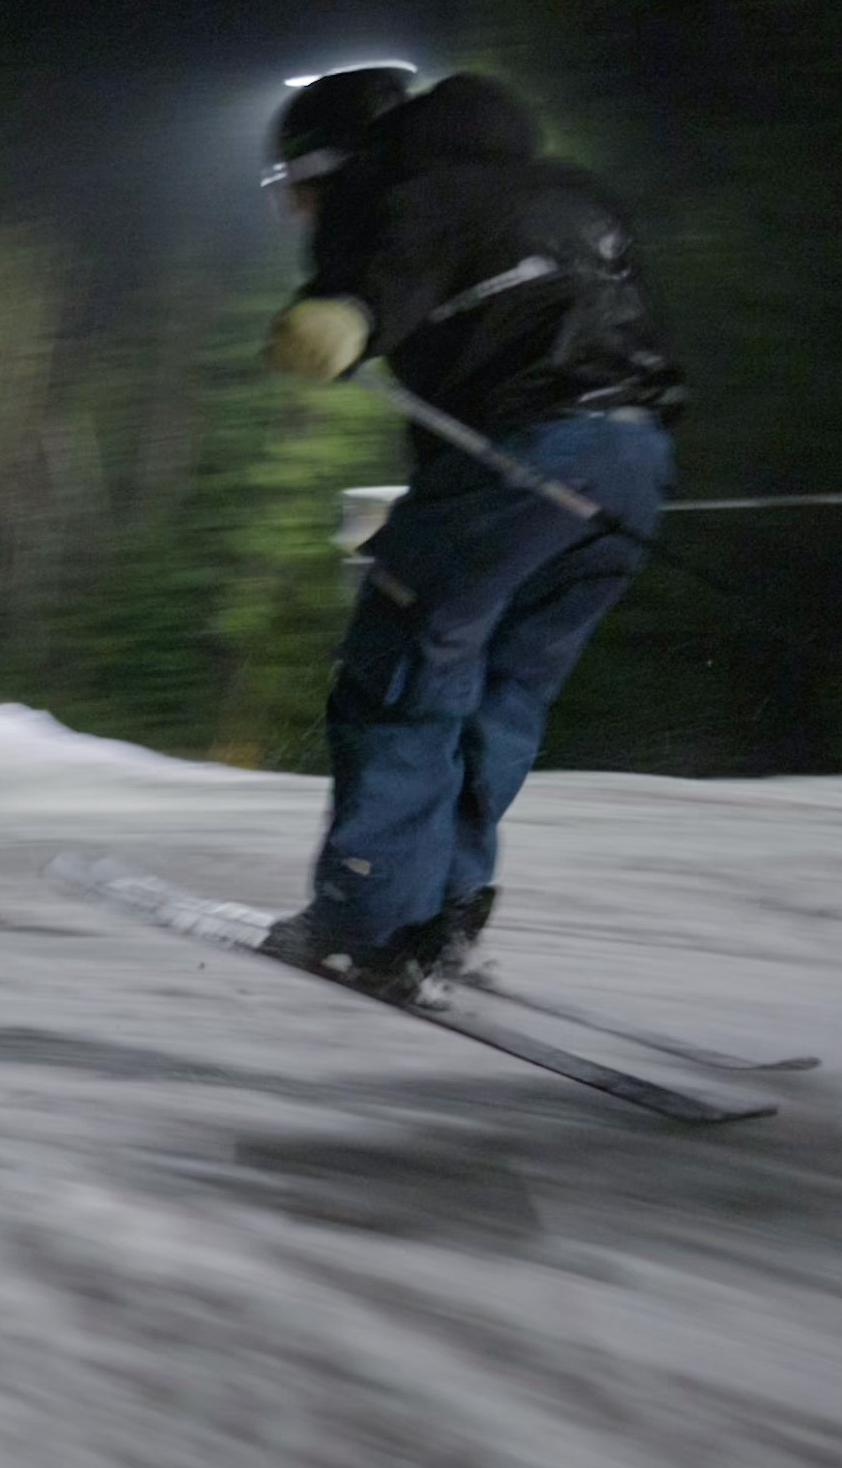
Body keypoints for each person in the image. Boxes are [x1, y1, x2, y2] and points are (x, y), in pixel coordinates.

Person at [249, 66, 681, 990]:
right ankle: (444, 914)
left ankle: (366, 919)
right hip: (633, 464)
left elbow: (379, 277)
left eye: (295, 187)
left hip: (522, 459)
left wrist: (339, 313)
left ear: (339, 164)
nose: (296, 212)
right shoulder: (570, 193)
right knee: (502, 691)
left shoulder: (409, 193)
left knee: (404, 669)